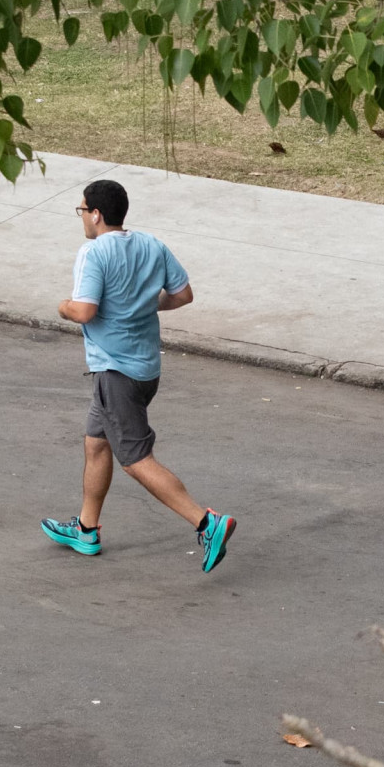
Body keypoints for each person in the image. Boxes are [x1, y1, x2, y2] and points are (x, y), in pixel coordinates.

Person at [40, 178, 237, 571]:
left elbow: (84, 311)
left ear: (96, 214)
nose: (81, 218)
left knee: (135, 459)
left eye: (82, 211)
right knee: (96, 443)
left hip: (116, 373)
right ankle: (86, 529)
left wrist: (63, 306)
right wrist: (143, 307)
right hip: (146, 370)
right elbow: (182, 295)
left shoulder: (93, 253)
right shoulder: (152, 245)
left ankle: (206, 522)